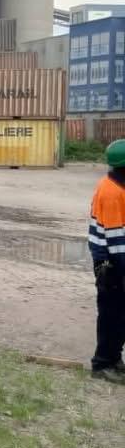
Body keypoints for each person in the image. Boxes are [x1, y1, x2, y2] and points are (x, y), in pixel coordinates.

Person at [87, 139, 125, 384]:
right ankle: (102, 364)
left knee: (120, 316)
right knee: (112, 316)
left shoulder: (117, 185)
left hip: (117, 260)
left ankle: (114, 358)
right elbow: (115, 238)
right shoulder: (112, 192)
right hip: (111, 265)